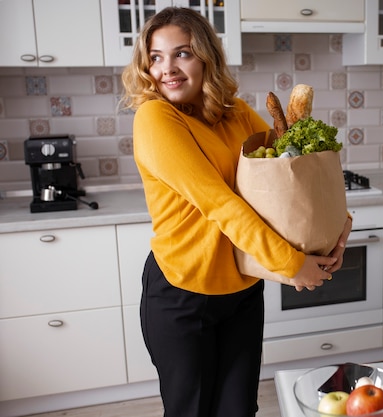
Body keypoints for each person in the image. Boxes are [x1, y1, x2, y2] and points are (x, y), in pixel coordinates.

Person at [120, 7, 351, 417]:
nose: (167, 69)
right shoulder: (155, 117)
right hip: (182, 291)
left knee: (240, 410)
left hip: (242, 290)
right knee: (192, 411)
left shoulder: (236, 113)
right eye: (155, 57)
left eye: (182, 54)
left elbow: (289, 178)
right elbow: (220, 204)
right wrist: (293, 264)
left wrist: (338, 232)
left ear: (206, 56)